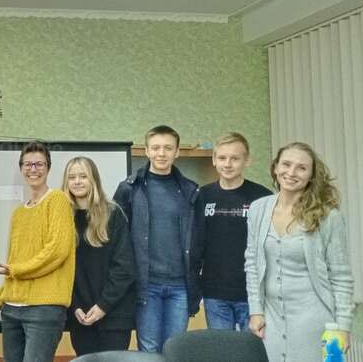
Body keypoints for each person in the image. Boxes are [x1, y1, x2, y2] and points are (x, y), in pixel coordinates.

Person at [245, 142, 354, 362]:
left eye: (302, 168)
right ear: (275, 167)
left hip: (314, 321)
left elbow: (341, 277)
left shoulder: (328, 217)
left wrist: (343, 327)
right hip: (272, 319)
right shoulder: (258, 209)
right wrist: (256, 310)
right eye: (286, 164)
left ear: (311, 176)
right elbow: (252, 264)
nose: (291, 172)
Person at [0, 141, 76, 362]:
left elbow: (57, 250)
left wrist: (16, 269)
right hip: (11, 311)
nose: (33, 169)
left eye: (39, 164)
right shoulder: (19, 213)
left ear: (48, 167)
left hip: (44, 310)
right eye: (28, 165)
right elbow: (13, 264)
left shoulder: (57, 200)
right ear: (21, 169)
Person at [112, 125, 202, 353]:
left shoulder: (191, 191)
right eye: (156, 148)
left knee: (175, 349)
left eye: (168, 148)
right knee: (149, 349)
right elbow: (116, 238)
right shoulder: (128, 189)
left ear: (177, 152)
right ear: (147, 151)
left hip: (180, 286)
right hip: (146, 285)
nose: (162, 153)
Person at [62, 157, 135, 356]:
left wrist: (103, 306)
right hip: (80, 316)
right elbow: (62, 269)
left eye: (83, 176)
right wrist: (75, 306)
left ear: (93, 179)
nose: (77, 181)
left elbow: (125, 267)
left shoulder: (113, 214)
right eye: (72, 177)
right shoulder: (62, 217)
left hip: (114, 313)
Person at [198, 132, 271, 331]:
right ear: (214, 160)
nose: (228, 164)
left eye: (235, 158)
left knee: (253, 353)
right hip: (214, 293)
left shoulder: (263, 198)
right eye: (222, 158)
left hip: (253, 294)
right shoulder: (201, 196)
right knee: (223, 353)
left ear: (247, 160)